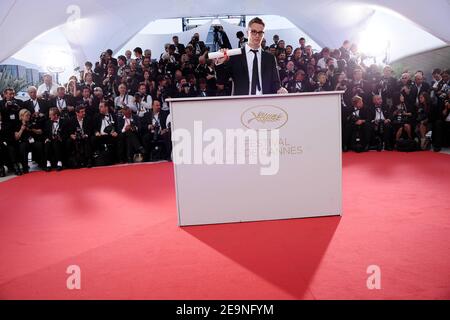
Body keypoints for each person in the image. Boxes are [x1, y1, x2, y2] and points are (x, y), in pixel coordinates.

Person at [215, 17, 287, 96]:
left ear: (263, 34)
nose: (257, 35)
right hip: (242, 103)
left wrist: (280, 90)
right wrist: (220, 63)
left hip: (265, 102)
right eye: (253, 32)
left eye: (260, 32)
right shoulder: (235, 56)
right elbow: (221, 83)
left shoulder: (269, 58)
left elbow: (275, 83)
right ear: (247, 33)